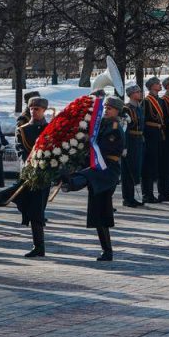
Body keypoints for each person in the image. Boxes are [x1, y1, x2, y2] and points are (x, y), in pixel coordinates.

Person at [59, 96, 125, 260]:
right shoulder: (101, 124)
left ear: (117, 110)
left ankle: (71, 183)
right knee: (98, 211)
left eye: (110, 108)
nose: (107, 110)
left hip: (108, 169)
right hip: (98, 168)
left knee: (99, 204)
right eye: (106, 107)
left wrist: (91, 142)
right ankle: (106, 251)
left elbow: (105, 148)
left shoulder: (115, 127)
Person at [0, 97, 51, 256]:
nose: (33, 111)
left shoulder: (51, 128)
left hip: (45, 174)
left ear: (44, 110)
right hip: (30, 171)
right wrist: (31, 164)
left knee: (36, 210)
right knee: (32, 208)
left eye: (37, 108)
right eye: (31, 108)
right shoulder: (23, 129)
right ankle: (38, 247)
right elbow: (21, 151)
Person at [120, 85, 145, 208]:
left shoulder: (138, 108)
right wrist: (124, 146)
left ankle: (133, 197)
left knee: (136, 169)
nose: (140, 93)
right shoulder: (126, 109)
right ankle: (127, 198)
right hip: (130, 140)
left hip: (138, 140)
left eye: (140, 91)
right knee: (128, 170)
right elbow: (124, 128)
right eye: (137, 92)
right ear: (131, 94)